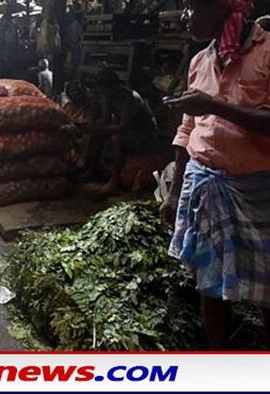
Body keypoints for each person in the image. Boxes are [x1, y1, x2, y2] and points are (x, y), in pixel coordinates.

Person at [160, 0, 270, 349]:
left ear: (223, 9)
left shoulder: (266, 53)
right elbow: (187, 128)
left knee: (266, 288)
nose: (185, 16)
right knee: (210, 285)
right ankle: (218, 358)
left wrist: (215, 106)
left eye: (192, 7)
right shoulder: (200, 61)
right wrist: (175, 191)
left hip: (256, 191)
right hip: (205, 183)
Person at [77, 68, 157, 194]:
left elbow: (122, 126)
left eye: (104, 90)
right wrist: (88, 126)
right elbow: (105, 119)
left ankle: (113, 182)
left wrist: (98, 128)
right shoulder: (108, 96)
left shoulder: (130, 98)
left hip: (143, 134)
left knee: (116, 139)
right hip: (126, 130)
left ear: (114, 86)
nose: (103, 93)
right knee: (95, 134)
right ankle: (91, 171)